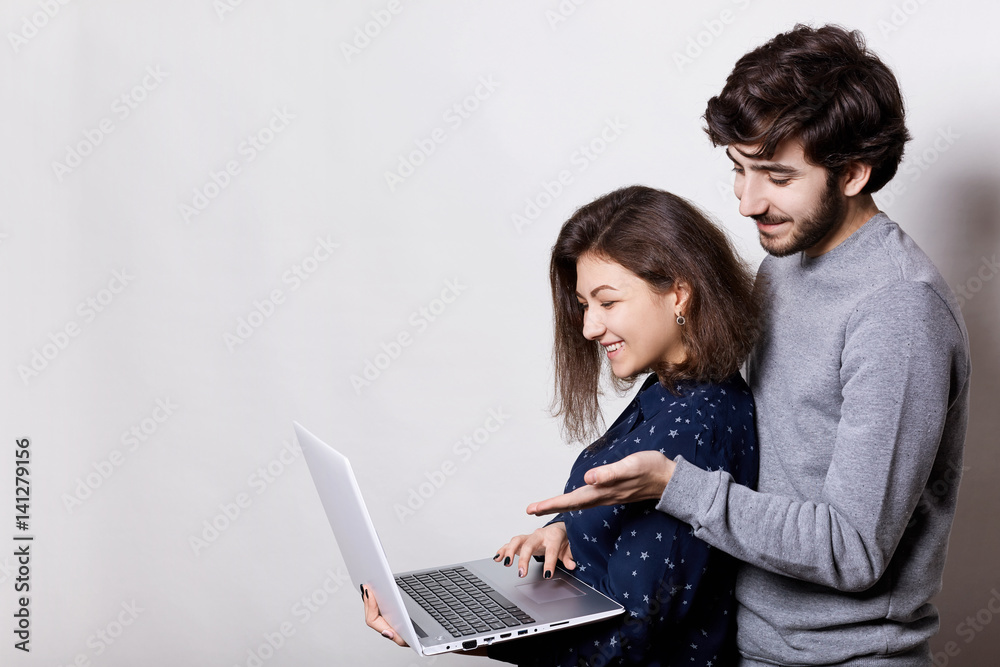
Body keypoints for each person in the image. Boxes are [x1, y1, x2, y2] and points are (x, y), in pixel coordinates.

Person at [526, 25, 971, 667]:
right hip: (747, 646)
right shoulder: (785, 263)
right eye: (739, 169)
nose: (747, 201)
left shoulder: (897, 311)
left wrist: (676, 486)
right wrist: (583, 532)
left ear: (853, 173)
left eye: (775, 175)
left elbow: (852, 549)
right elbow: (737, 434)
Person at [364, 185, 762, 665]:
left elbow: (627, 644)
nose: (589, 328)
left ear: (678, 293)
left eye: (608, 302)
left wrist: (481, 634)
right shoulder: (671, 388)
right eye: (584, 305)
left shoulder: (695, 426)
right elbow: (635, 536)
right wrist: (568, 530)